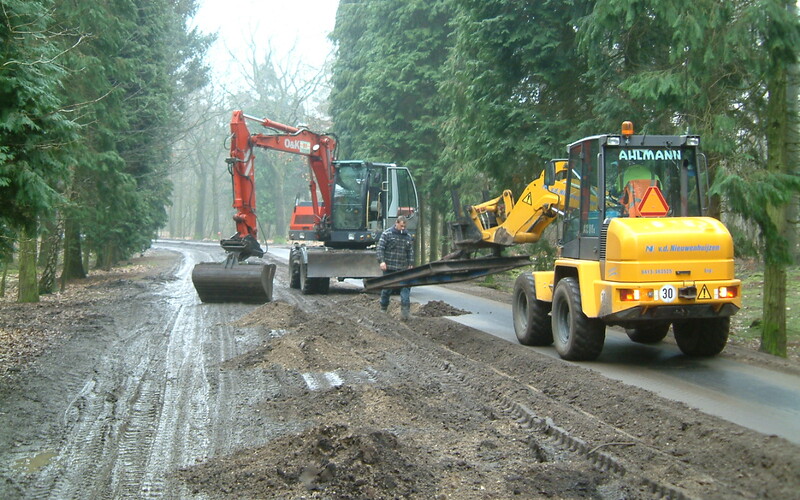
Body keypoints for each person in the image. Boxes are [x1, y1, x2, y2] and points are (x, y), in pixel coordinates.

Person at [376, 215, 414, 320]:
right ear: (396, 223)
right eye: (401, 226)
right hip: (390, 268)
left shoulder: (408, 236)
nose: (403, 228)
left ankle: (405, 313)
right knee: (387, 289)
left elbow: (410, 251)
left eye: (404, 226)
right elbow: (380, 248)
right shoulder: (387, 234)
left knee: (405, 289)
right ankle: (383, 309)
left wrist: (411, 263)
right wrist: (382, 261)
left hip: (403, 269)